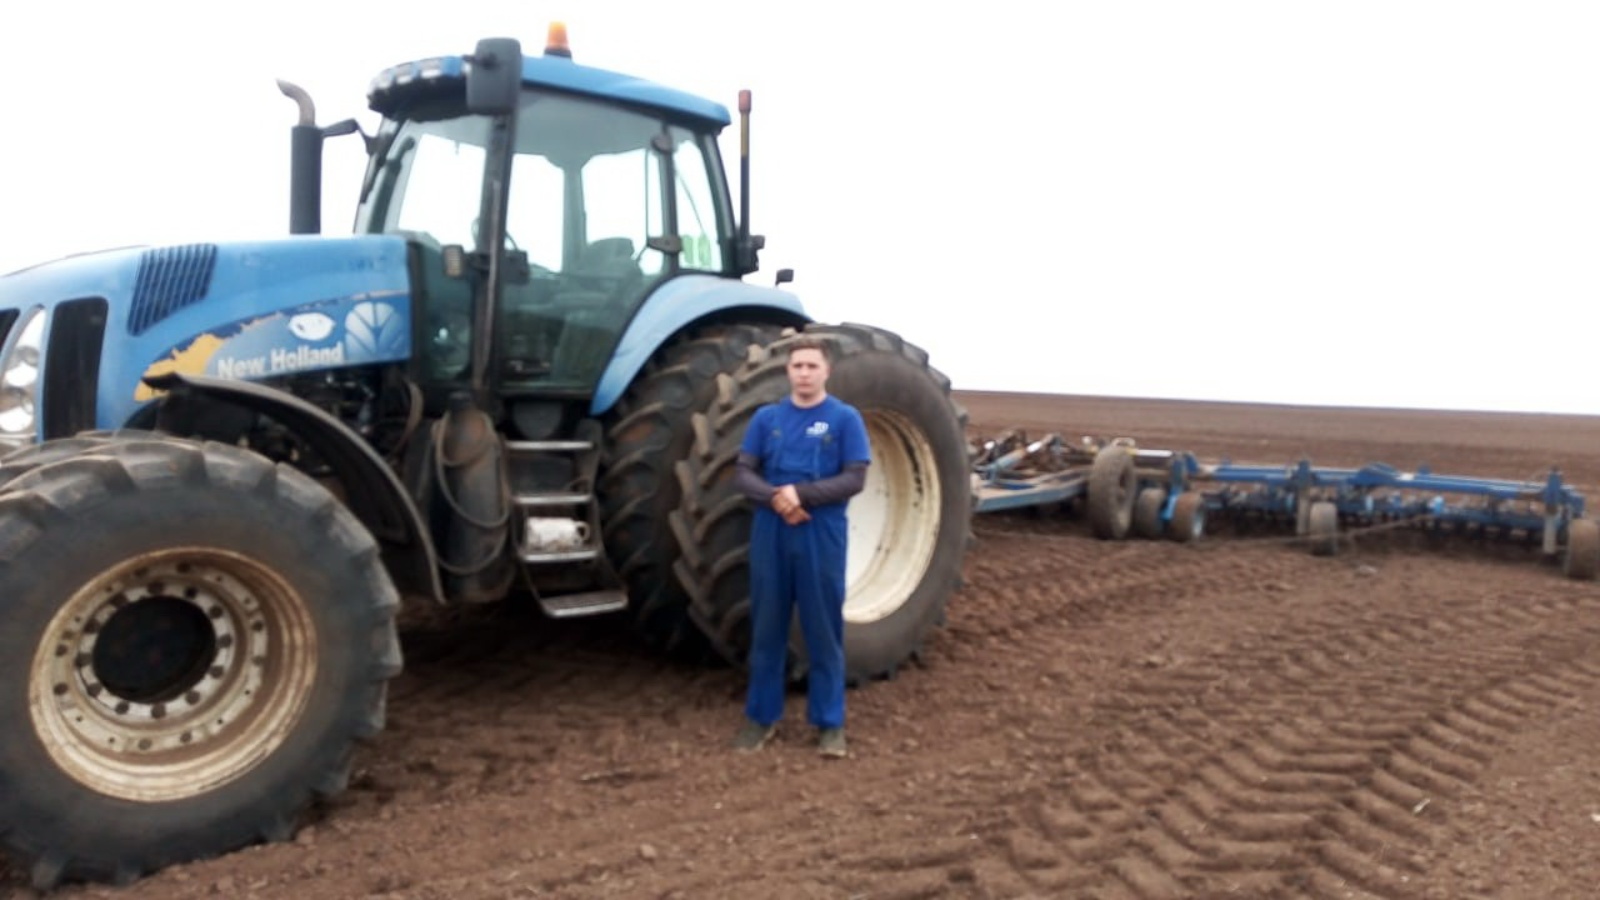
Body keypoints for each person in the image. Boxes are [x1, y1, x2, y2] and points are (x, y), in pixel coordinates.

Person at [729, 337, 871, 758]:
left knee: (822, 628)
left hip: (820, 531)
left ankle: (829, 724)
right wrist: (776, 498)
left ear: (827, 371)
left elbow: (855, 478)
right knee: (767, 627)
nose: (804, 373)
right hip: (771, 529)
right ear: (787, 371)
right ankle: (761, 718)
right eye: (797, 366)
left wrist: (801, 495)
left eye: (812, 366)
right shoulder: (767, 419)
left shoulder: (844, 419)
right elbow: (743, 473)